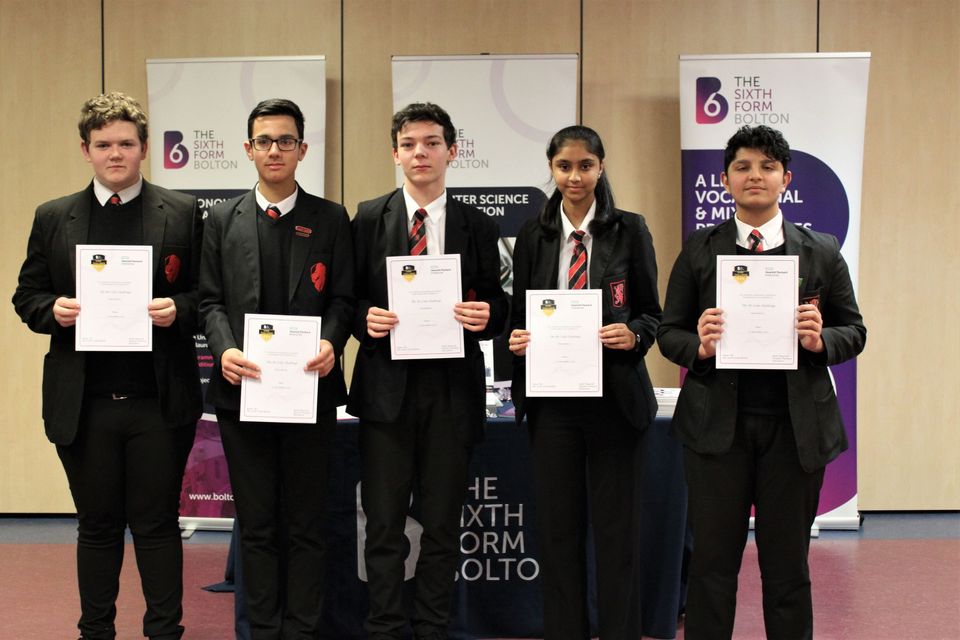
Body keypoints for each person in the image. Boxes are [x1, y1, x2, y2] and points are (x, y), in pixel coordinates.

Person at [657, 125, 866, 639]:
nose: (755, 176)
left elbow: (854, 330)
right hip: (716, 433)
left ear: (785, 179)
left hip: (795, 434)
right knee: (711, 566)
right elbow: (668, 332)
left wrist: (822, 342)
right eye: (744, 167)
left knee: (788, 568)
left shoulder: (820, 250)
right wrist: (699, 345)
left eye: (767, 167)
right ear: (726, 179)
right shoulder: (700, 250)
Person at [12, 92, 202, 640]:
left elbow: (205, 295)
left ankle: (165, 631)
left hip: (159, 403)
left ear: (144, 148)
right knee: (96, 526)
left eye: (125, 143)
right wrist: (54, 310)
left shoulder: (183, 212)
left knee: (157, 524)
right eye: (103, 145)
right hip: (85, 403)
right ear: (85, 150)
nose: (115, 154)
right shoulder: (53, 216)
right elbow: (27, 295)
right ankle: (95, 631)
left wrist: (178, 310)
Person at [348, 102, 507, 640]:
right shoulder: (369, 217)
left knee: (442, 523)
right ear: (396, 154)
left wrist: (488, 315)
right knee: (384, 524)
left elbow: (498, 303)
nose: (421, 152)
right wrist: (361, 318)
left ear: (452, 151)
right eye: (410, 143)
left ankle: (433, 624)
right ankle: (387, 625)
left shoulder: (478, 225)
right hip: (386, 393)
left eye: (432, 142)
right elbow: (346, 302)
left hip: (452, 394)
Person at [198, 98, 355, 639]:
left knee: (308, 525)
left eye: (285, 140)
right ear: (247, 149)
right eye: (263, 141)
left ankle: (303, 629)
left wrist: (334, 341)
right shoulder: (221, 218)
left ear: (302, 149)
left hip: (310, 390)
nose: (274, 150)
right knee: (259, 524)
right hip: (243, 393)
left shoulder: (331, 218)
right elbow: (209, 300)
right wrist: (222, 350)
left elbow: (343, 299)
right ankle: (262, 630)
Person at [507, 125, 662, 639]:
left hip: (615, 401)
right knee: (558, 537)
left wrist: (633, 335)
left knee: (617, 537)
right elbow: (515, 318)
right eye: (563, 166)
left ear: (600, 167)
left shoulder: (630, 229)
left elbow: (652, 315)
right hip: (553, 405)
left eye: (585, 166)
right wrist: (517, 341)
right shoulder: (534, 235)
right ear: (551, 170)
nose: (574, 176)